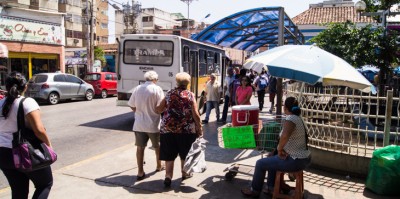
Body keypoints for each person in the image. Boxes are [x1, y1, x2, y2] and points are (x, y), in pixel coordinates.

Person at [241, 97, 311, 197]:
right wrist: (276, 152)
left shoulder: (291, 118)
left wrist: (279, 150)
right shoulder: (299, 118)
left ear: (285, 108)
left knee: (260, 163)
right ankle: (271, 187)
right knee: (272, 159)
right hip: (304, 158)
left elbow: (285, 136)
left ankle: (255, 190)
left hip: (296, 160)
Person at [0, 72, 53, 199]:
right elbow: (39, 130)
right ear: (25, 87)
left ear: (6, 87)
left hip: (3, 154)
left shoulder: (1, 103)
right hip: (24, 153)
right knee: (45, 184)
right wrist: (49, 146)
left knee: (19, 191)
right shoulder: (27, 102)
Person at [156, 72, 203, 187]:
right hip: (186, 131)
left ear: (177, 82)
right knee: (185, 153)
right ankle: (184, 173)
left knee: (169, 154)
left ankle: (168, 176)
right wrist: (199, 127)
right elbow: (195, 114)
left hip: (168, 129)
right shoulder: (190, 95)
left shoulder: (169, 94)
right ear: (188, 83)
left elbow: (159, 109)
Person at [127, 71, 165, 181]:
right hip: (153, 124)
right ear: (155, 79)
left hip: (139, 124)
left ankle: (140, 172)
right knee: (157, 147)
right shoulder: (157, 89)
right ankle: (159, 165)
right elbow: (159, 108)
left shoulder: (138, 88)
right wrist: (158, 111)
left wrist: (139, 112)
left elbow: (131, 105)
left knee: (140, 148)